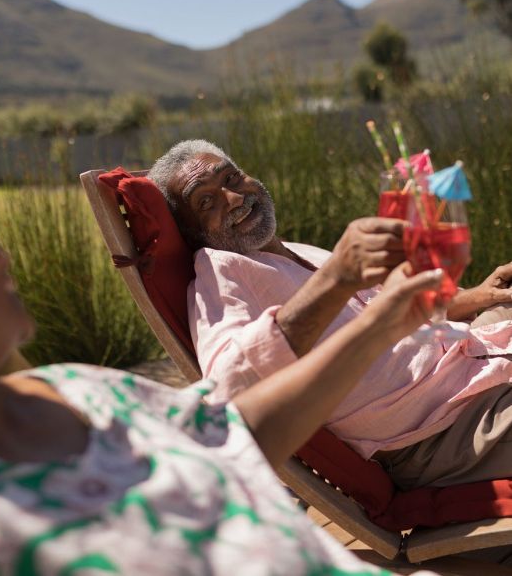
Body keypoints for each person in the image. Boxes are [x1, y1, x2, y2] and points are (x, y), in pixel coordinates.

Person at [0, 155, 446, 575]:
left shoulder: (75, 388)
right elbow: (231, 377)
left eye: (233, 178)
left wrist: (381, 325)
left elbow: (227, 431)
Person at [148, 139, 512, 491]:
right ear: (193, 232)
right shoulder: (219, 271)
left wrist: (477, 296)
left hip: (472, 364)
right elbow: (228, 390)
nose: (234, 198)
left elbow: (390, 306)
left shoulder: (287, 251)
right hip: (443, 429)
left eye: (230, 178)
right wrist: (336, 278)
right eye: (206, 202)